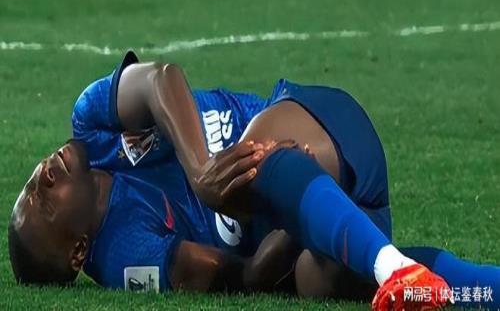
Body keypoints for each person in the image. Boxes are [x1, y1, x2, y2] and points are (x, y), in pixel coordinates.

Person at [8, 51, 500, 310]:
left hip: (321, 126)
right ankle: (466, 282)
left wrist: (202, 172)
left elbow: (160, 78)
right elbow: (242, 277)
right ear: (78, 251)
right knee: (313, 281)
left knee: (254, 160)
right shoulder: (124, 253)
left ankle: (391, 266)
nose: (41, 177)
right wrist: (290, 225)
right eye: (42, 200)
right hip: (335, 223)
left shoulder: (91, 122)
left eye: (28, 185)